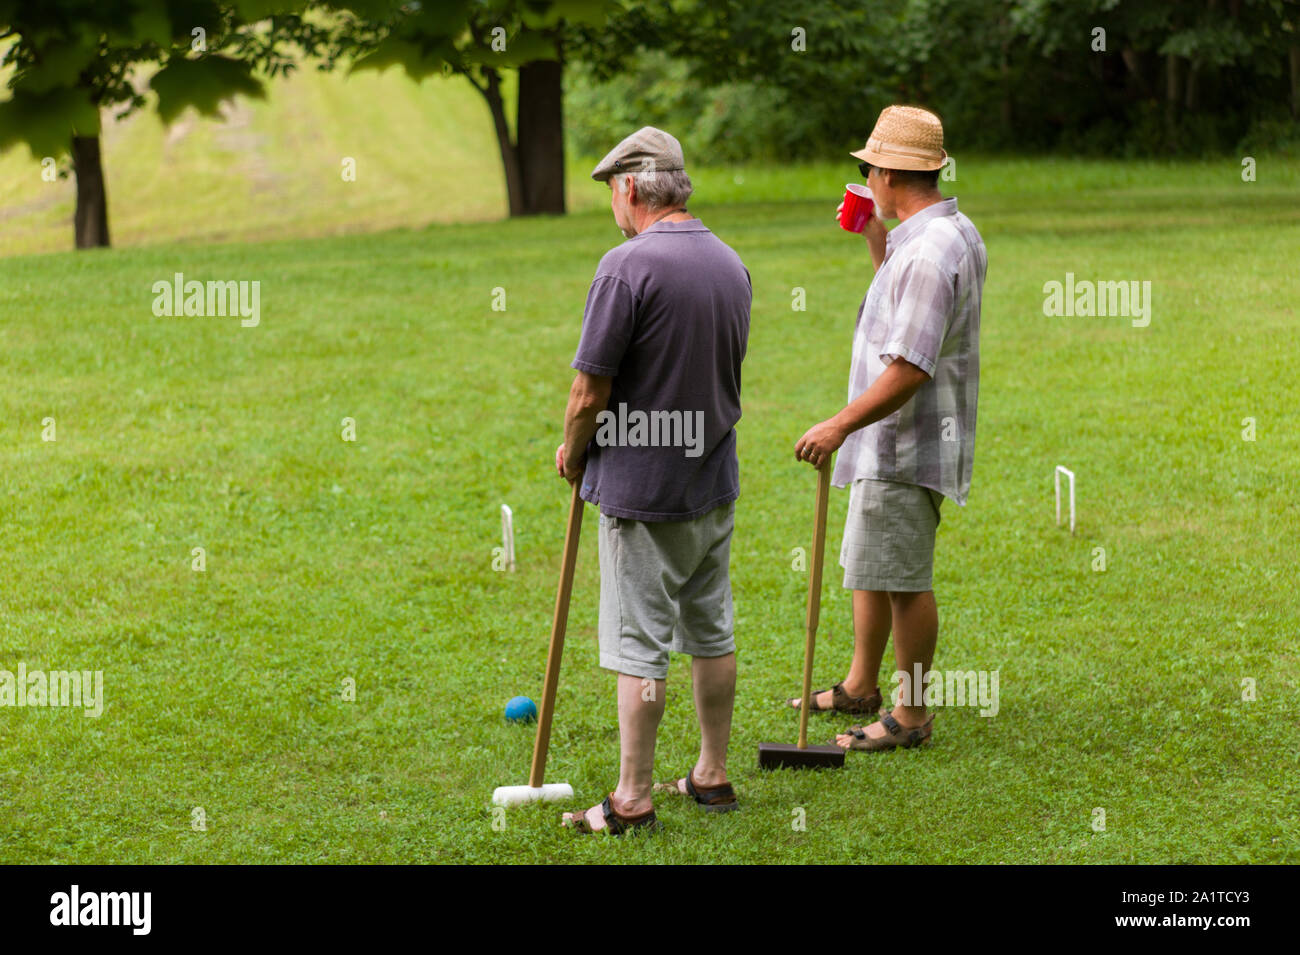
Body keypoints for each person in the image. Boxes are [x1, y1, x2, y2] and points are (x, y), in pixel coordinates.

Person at [555, 127, 752, 833]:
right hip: (713, 483)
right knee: (710, 631)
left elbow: (588, 394)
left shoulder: (624, 267)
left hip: (643, 491)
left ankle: (632, 797)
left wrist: (575, 451)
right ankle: (712, 773)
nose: (614, 201)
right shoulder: (731, 263)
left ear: (630, 188)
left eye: (613, 189)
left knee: (640, 644)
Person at [791, 105, 987, 753]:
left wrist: (838, 425)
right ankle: (861, 684)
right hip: (892, 438)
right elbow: (902, 313)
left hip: (905, 439)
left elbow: (910, 367)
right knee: (870, 564)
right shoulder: (935, 234)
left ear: (888, 173)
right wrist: (877, 240)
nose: (865, 175)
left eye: (868, 166)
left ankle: (912, 711)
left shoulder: (930, 254)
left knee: (903, 576)